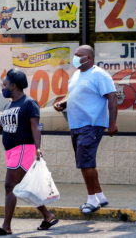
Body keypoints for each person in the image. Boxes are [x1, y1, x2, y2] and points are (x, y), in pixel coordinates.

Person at [0, 68, 58, 236]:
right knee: (22, 187)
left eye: (4, 84)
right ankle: (48, 215)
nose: (2, 87)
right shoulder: (8, 105)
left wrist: (38, 148)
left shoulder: (29, 103)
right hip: (11, 151)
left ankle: (6, 226)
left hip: (24, 149)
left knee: (9, 185)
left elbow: (35, 127)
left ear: (13, 85)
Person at [53, 45, 118, 215]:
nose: (75, 58)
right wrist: (63, 103)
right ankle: (99, 196)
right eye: (75, 54)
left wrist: (112, 124)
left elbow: (112, 97)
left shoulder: (99, 75)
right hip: (77, 124)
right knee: (87, 161)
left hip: (91, 123)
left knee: (85, 162)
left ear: (88, 58)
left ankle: (92, 201)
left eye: (79, 55)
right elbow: (74, 94)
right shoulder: (76, 74)